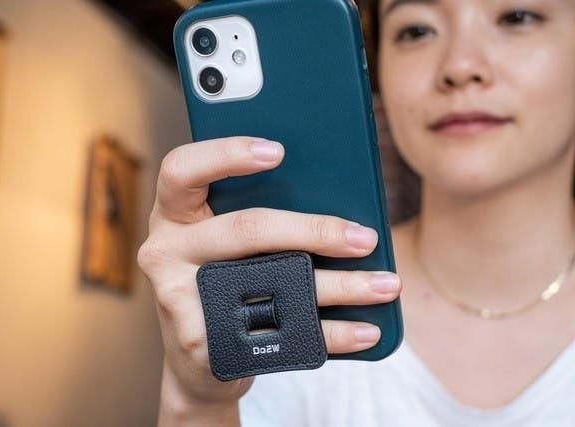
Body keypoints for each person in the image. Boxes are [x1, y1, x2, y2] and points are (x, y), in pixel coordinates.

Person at [137, 0, 575, 425]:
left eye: (517, 17)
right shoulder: (294, 299)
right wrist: (196, 401)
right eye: (417, 30)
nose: (459, 66)